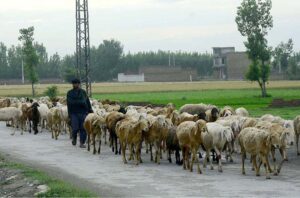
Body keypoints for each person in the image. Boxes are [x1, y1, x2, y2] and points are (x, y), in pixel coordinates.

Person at [67, 79, 93, 148]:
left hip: (83, 112)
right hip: (74, 113)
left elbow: (86, 101)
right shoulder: (70, 93)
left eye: (77, 83)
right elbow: (70, 103)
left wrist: (90, 110)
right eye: (74, 83)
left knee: (83, 128)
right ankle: (74, 137)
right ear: (72, 84)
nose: (75, 85)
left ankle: (82, 143)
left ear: (79, 84)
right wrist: (81, 102)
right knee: (75, 128)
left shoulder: (83, 92)